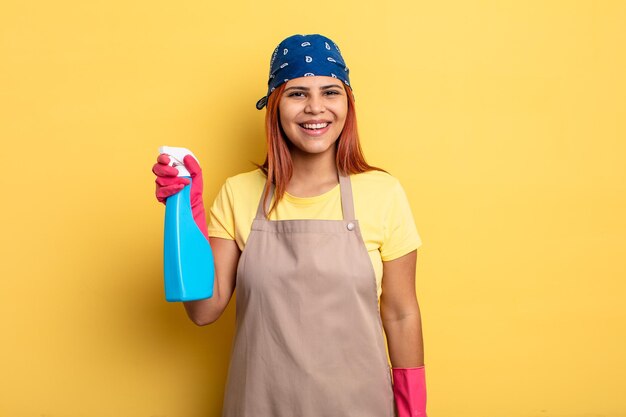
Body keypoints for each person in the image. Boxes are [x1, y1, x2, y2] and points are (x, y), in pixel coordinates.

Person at [152, 33, 427, 417]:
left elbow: (400, 312)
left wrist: (413, 410)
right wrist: (186, 213)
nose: (316, 108)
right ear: (275, 105)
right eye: (298, 93)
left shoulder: (384, 193)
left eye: (330, 92)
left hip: (360, 406)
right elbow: (203, 311)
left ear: (347, 102)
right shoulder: (238, 194)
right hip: (260, 405)